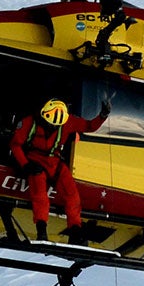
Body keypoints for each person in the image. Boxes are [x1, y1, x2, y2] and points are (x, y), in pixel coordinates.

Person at [10, 98, 109, 242]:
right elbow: (15, 145)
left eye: (55, 126)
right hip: (35, 161)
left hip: (55, 163)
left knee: (72, 195)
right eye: (50, 125)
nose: (52, 128)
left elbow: (89, 126)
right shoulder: (28, 122)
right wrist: (25, 165)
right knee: (40, 195)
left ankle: (75, 231)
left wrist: (103, 116)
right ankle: (41, 229)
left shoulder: (68, 122)